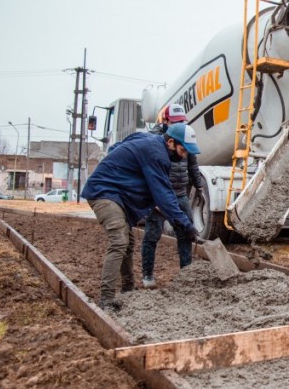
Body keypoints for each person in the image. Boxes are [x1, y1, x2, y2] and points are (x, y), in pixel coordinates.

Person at [81, 123, 201, 311]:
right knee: (119, 241)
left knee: (128, 242)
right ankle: (106, 300)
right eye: (183, 150)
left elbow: (116, 147)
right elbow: (164, 194)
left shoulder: (147, 139)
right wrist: (186, 225)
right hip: (104, 192)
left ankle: (128, 290)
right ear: (170, 142)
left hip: (117, 194)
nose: (184, 155)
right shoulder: (157, 155)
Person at [140, 104, 206, 288]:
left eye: (182, 122)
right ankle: (147, 275)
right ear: (166, 121)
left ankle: (186, 275)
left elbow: (193, 163)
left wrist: (199, 188)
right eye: (175, 122)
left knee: (186, 233)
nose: (179, 125)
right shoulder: (154, 141)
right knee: (152, 234)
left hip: (180, 192)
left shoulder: (186, 136)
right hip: (158, 195)